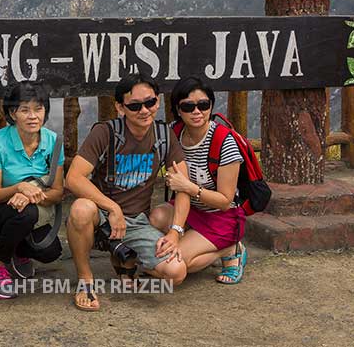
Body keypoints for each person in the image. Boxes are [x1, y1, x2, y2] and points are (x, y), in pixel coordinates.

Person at [65, 74, 190, 312]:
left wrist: (175, 232)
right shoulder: (106, 133)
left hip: (137, 222)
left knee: (176, 272)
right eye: (134, 105)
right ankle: (85, 280)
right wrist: (112, 208)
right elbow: (73, 178)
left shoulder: (164, 136)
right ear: (120, 107)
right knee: (81, 209)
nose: (144, 110)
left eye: (150, 103)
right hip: (100, 216)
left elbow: (183, 185)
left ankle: (127, 261)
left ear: (158, 101)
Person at [149, 77, 248, 284]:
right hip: (189, 210)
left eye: (203, 105)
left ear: (211, 106)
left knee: (177, 263)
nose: (197, 112)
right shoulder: (173, 133)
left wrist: (189, 188)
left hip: (221, 217)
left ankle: (230, 250)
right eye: (188, 106)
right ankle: (197, 241)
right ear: (178, 109)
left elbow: (225, 200)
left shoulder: (224, 141)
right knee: (156, 217)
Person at [0, 82, 65, 299]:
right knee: (26, 214)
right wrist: (19, 188)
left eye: (39, 109)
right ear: (13, 113)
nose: (33, 116)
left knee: (51, 251)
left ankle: (16, 250)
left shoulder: (53, 141)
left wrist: (29, 195)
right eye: (25, 110)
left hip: (27, 210)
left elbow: (58, 192)